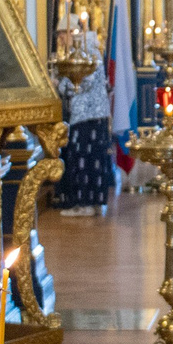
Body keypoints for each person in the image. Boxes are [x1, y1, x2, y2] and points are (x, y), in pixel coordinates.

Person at [52, 26, 112, 215]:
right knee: (90, 158)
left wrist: (60, 84)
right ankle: (91, 202)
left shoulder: (87, 51)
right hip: (91, 114)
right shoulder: (90, 49)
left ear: (71, 33)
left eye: (62, 35)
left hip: (87, 114)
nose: (61, 40)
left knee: (83, 158)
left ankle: (84, 204)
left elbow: (82, 82)